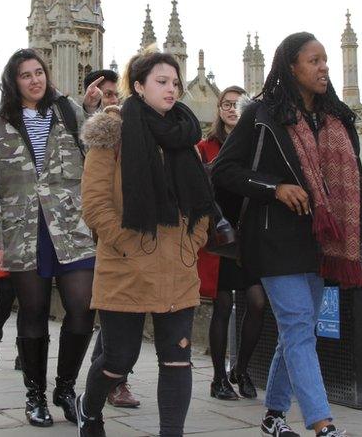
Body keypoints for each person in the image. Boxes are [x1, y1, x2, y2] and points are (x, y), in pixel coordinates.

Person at [212, 32, 362, 437]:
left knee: (300, 330)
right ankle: (323, 424)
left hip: (320, 241)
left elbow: (355, 183)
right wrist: (274, 188)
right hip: (274, 239)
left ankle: (273, 416)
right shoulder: (262, 114)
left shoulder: (336, 119)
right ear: (291, 67)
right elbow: (223, 170)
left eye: (326, 60)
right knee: (297, 325)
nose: (323, 67)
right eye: (314, 60)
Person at [77, 51, 213, 437]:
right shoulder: (113, 131)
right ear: (137, 86)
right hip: (128, 263)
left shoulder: (185, 132)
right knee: (118, 359)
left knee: (177, 359)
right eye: (161, 81)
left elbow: (202, 196)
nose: (171, 89)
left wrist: (195, 239)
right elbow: (96, 202)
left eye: (175, 82)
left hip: (179, 265)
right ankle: (89, 409)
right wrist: (125, 242)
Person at [0, 48, 96, 428]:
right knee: (32, 313)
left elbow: (97, 162)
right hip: (23, 232)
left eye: (39, 72)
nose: (35, 80)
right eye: (25, 75)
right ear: (13, 83)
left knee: (82, 308)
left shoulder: (68, 113)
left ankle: (65, 386)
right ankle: (35, 394)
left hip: (72, 229)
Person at [196, 85, 268, 401]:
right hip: (220, 239)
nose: (230, 108)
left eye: (237, 104)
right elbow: (200, 190)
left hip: (250, 237)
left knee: (256, 303)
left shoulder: (259, 146)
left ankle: (241, 369)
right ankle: (218, 379)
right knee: (223, 306)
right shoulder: (205, 147)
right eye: (225, 103)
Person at [82, 68, 141, 409]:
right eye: (104, 94)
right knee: (101, 314)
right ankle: (97, 381)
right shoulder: (84, 126)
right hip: (82, 231)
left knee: (118, 314)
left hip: (119, 237)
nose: (112, 99)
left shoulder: (133, 126)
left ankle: (114, 380)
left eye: (115, 93)